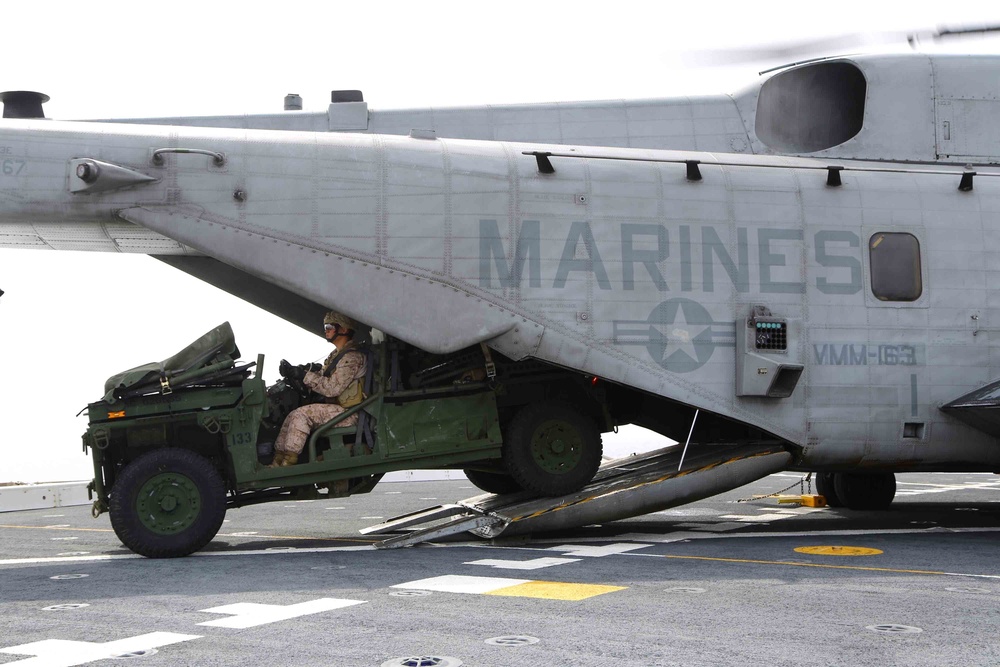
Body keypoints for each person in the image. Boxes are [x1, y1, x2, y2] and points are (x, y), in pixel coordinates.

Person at [270, 311, 368, 467]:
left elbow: (332, 388)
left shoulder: (352, 357)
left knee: (302, 415)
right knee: (292, 415)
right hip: (338, 409)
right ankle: (277, 461)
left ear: (343, 330)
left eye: (329, 327)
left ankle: (288, 462)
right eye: (325, 326)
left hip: (351, 413)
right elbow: (322, 377)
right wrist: (300, 372)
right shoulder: (336, 355)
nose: (326, 330)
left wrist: (303, 375)